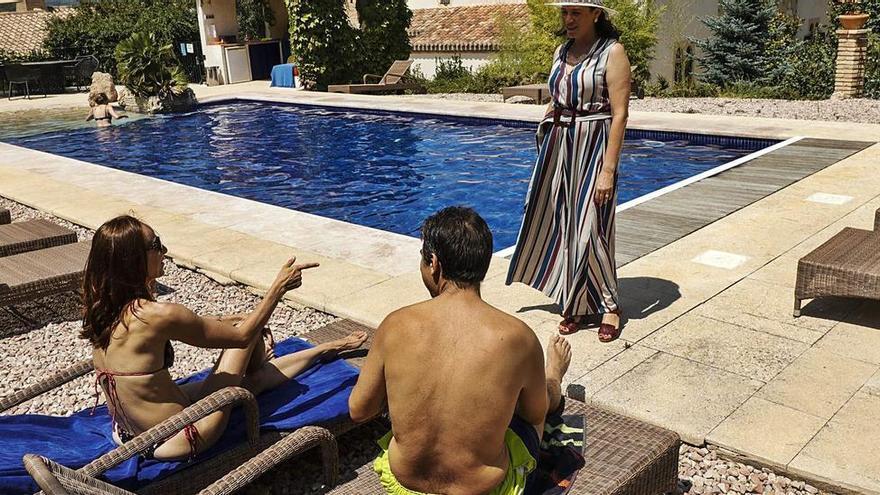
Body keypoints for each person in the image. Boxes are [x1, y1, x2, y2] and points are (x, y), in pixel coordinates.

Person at [81, 215, 367, 460]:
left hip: (131, 434)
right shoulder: (158, 315)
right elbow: (241, 337)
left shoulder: (103, 309)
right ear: (133, 260)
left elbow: (187, 330)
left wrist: (233, 324)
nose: (165, 250)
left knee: (246, 343)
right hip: (180, 436)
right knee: (248, 349)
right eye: (156, 245)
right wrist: (277, 290)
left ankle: (323, 349)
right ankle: (305, 354)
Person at [349, 206, 572, 495]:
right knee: (539, 407)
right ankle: (553, 376)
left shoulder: (395, 325)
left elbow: (359, 410)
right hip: (486, 490)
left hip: (406, 488)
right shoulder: (518, 337)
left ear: (434, 263)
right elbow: (532, 414)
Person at [506, 0, 631, 342]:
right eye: (565, 12)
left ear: (596, 15)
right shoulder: (561, 51)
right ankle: (575, 301)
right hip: (560, 147)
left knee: (596, 224)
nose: (569, 19)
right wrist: (545, 131)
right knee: (566, 224)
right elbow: (557, 99)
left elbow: (620, 114)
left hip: (594, 146)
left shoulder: (613, 52)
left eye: (576, 12)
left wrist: (608, 170)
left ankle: (610, 305)